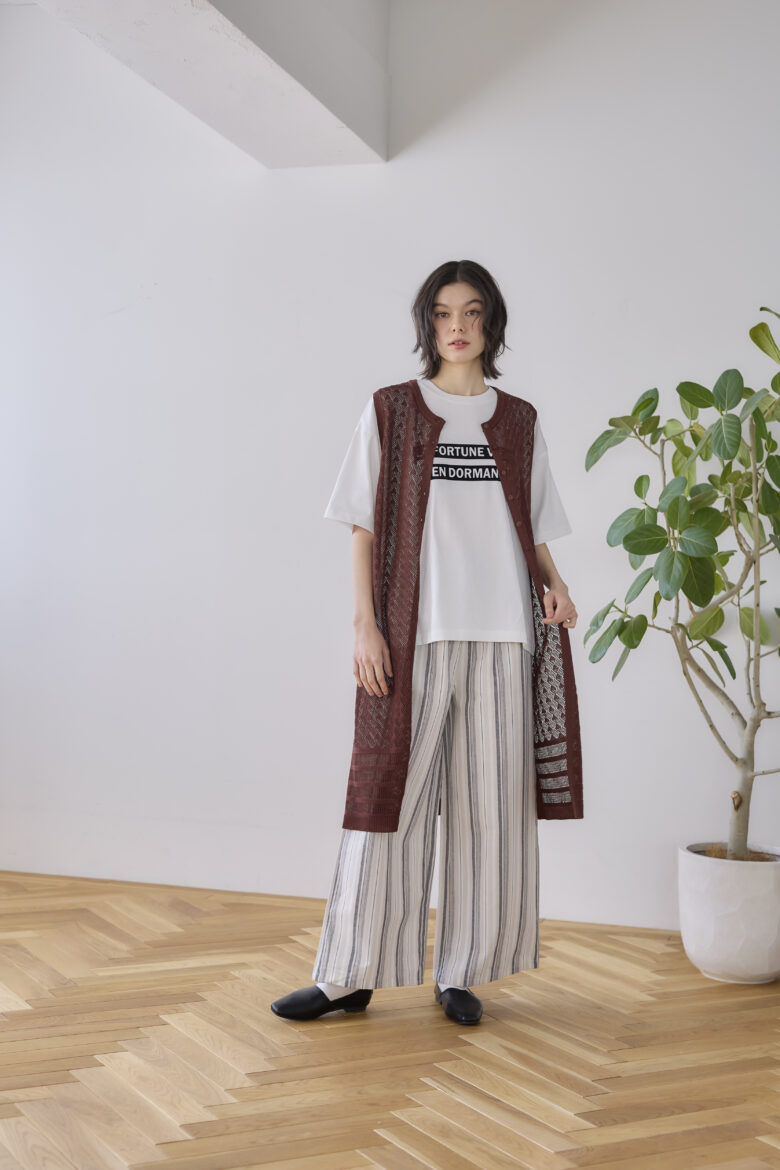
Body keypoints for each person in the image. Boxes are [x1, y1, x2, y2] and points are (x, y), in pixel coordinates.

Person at [271, 259, 578, 1025]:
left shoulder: (519, 420)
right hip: (415, 637)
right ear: (427, 324)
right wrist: (365, 624)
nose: (458, 326)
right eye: (443, 313)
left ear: (490, 323)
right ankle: (350, 974)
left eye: (472, 312)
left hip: (505, 636)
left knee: (488, 815)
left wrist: (557, 584)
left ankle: (462, 972)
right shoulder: (393, 410)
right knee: (388, 805)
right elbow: (361, 526)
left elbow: (533, 526)